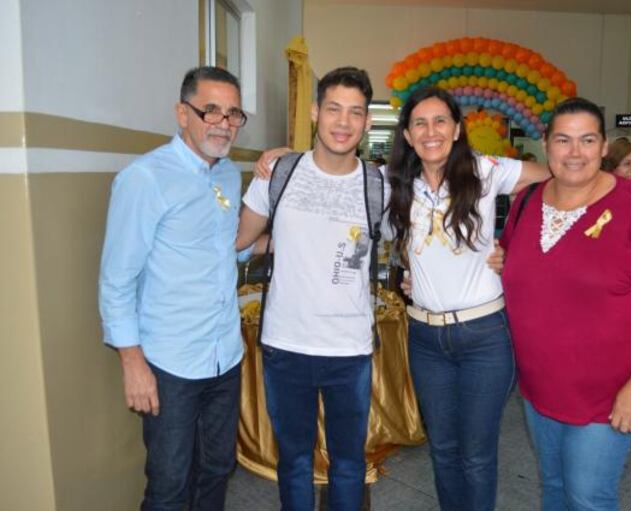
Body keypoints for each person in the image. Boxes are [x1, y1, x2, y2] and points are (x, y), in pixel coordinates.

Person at [500, 97, 631, 511]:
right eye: (563, 140)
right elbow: (511, 262)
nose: (575, 152)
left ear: (604, 146)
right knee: (553, 488)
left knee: (588, 497)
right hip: (539, 388)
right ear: (546, 145)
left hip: (609, 394)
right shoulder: (526, 202)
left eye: (587, 140)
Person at [387, 86, 549, 511]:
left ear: (457, 129)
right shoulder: (397, 186)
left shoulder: (485, 169)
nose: (431, 131)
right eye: (419, 123)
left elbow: (555, 178)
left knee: (476, 456)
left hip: (484, 338)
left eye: (440, 120)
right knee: (442, 450)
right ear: (406, 135)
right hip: (426, 338)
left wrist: (517, 246)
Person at [99, 66, 246, 510]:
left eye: (233, 113)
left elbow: (226, 248)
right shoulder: (145, 179)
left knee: (218, 469)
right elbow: (116, 279)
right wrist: (132, 362)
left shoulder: (228, 176)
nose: (223, 123)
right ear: (183, 114)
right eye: (211, 110)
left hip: (225, 356)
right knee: (169, 485)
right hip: (172, 365)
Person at [235, 67, 377, 511]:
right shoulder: (278, 172)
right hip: (286, 346)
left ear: (368, 122)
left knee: (349, 463)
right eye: (333, 108)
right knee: (294, 461)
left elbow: (421, 235)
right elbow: (237, 240)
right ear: (315, 111)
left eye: (355, 112)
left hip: (350, 350)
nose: (343, 121)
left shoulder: (380, 184)